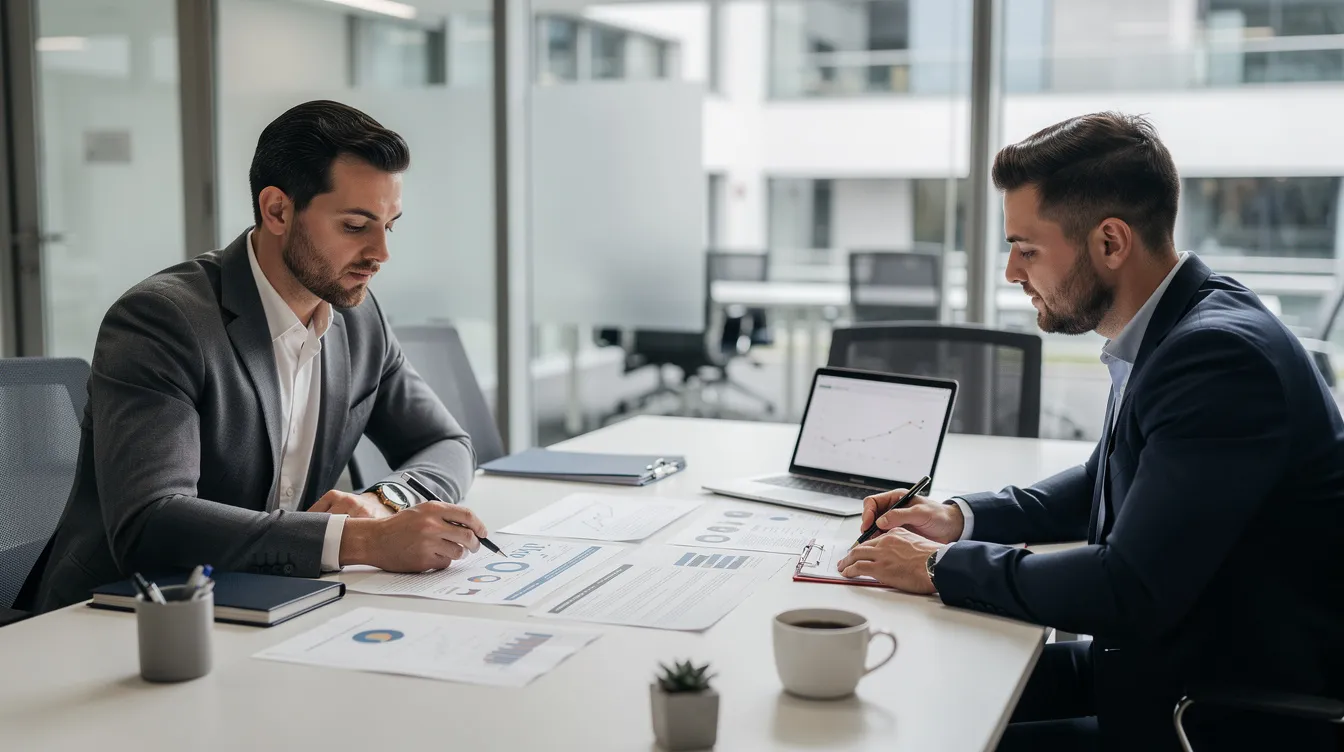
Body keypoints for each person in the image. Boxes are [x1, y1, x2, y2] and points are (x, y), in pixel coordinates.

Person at [837, 112, 1344, 751]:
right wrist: (959, 519)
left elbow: (1128, 587)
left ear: (1110, 242)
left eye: (1027, 248)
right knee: (903, 688)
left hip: (1207, 711)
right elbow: (1105, 481)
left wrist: (939, 568)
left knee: (913, 733)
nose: (1011, 273)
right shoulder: (1174, 324)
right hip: (1158, 665)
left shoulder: (1217, 357)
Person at [34, 100, 487, 611]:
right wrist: (363, 540)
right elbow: (151, 522)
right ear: (277, 210)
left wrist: (383, 501)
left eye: (390, 225)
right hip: (130, 613)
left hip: (274, 599)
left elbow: (447, 442)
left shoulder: (358, 319)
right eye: (356, 227)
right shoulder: (162, 320)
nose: (381, 253)